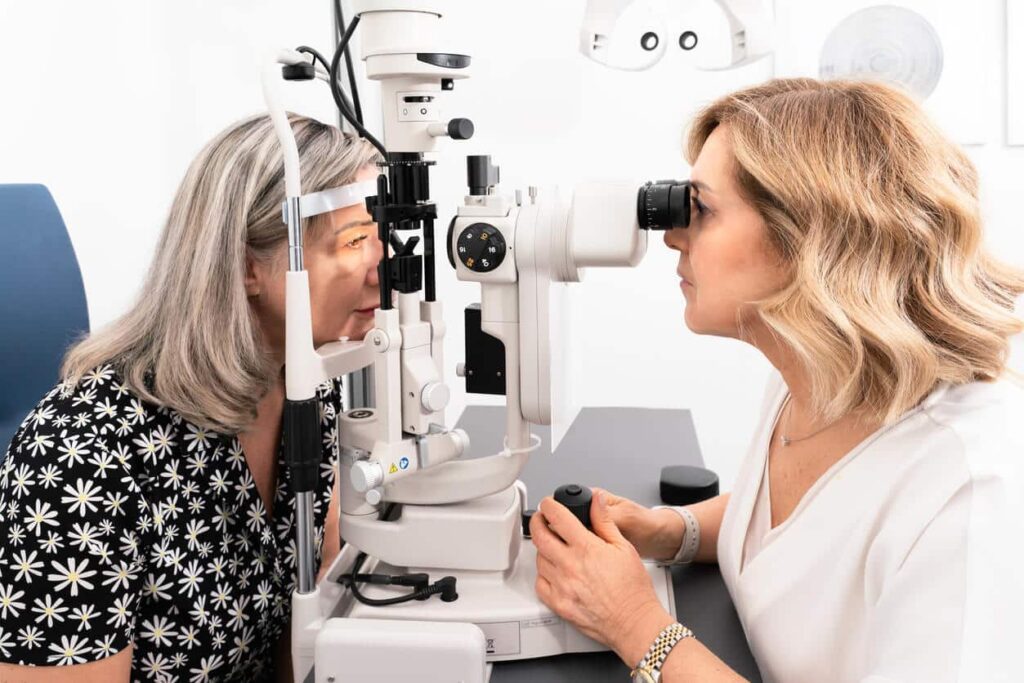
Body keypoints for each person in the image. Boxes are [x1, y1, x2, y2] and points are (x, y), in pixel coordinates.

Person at [530, 78, 1024, 682]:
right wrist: (670, 530)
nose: (671, 236)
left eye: (702, 209)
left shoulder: (969, 494)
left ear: (813, 241)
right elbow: (816, 527)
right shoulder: (813, 375)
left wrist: (634, 623)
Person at [0, 113, 383, 682]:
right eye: (354, 241)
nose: (384, 269)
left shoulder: (306, 390)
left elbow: (302, 636)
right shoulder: (80, 453)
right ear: (249, 267)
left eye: (383, 238)